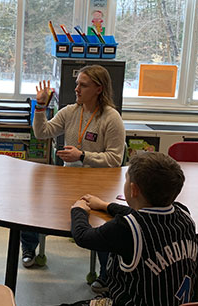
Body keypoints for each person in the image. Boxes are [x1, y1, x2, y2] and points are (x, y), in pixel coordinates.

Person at [28, 152, 198, 306]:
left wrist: (79, 211)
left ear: (133, 190)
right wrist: (106, 206)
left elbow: (83, 236)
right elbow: (143, 215)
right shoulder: (184, 214)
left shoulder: (127, 228)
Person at [21, 65, 125, 294]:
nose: (76, 89)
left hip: (99, 183)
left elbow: (116, 159)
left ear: (99, 88)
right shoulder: (70, 111)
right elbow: (42, 133)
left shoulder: (111, 117)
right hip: (68, 178)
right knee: (33, 204)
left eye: (83, 85)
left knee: (105, 225)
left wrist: (83, 155)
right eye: (77, 84)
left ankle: (106, 275)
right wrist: (40, 107)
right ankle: (28, 248)